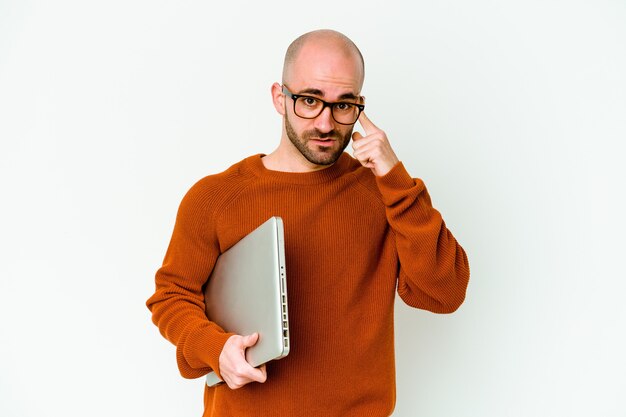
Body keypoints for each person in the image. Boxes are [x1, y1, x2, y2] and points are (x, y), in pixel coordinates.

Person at [146, 29, 470, 417]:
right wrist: (214, 349)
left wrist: (396, 179)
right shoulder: (216, 197)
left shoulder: (385, 193)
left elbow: (445, 292)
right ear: (279, 99)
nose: (326, 123)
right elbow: (171, 296)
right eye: (310, 100)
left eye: (344, 105)